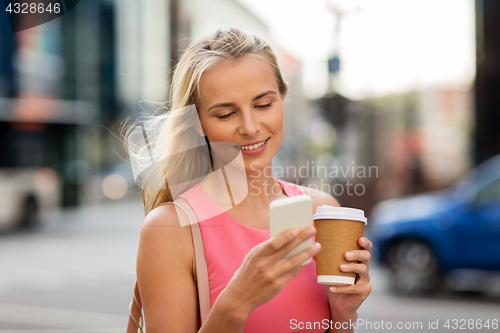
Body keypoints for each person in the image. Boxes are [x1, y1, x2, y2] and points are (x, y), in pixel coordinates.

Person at [127, 27, 372, 332]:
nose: (250, 127)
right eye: (226, 114)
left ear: (282, 97)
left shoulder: (322, 211)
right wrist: (237, 302)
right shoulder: (170, 229)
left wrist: (342, 316)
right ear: (197, 123)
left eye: (263, 104)